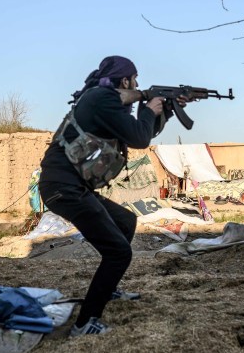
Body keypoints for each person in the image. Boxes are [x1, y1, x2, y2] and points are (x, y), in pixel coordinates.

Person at [39, 55, 174, 336]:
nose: (138, 85)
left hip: (70, 186)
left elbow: (140, 133)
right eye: (135, 80)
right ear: (125, 81)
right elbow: (140, 138)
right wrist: (148, 107)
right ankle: (85, 323)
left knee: (125, 221)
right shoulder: (102, 98)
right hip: (65, 188)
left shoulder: (102, 101)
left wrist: (164, 110)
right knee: (118, 252)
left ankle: (107, 289)